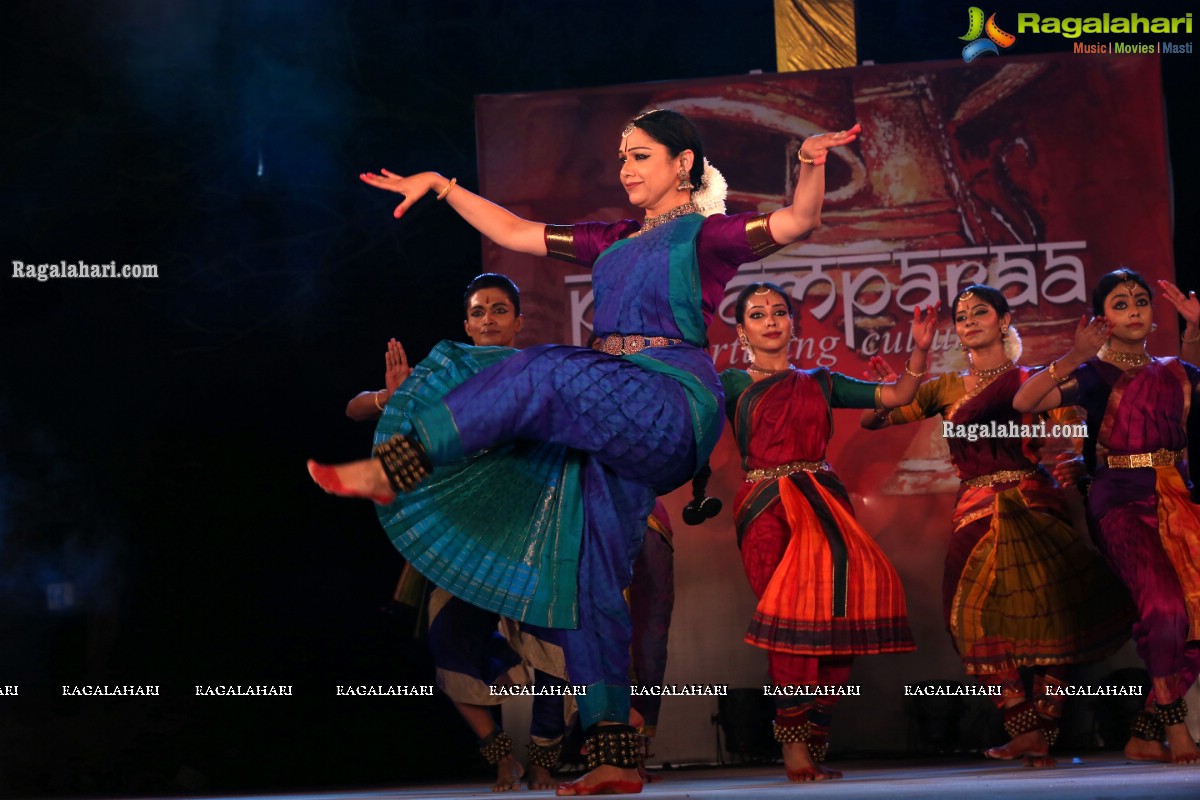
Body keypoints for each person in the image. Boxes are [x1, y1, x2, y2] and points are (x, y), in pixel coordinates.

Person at [309, 109, 861, 795]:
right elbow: (513, 231)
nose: (625, 168)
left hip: (670, 403)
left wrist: (810, 163)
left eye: (640, 156)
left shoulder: (708, 234)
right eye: (621, 156)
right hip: (615, 416)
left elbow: (797, 222)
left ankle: (399, 467)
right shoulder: (613, 238)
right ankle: (616, 756)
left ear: (683, 164)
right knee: (586, 583)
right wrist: (444, 187)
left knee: (540, 370)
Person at [862, 284, 1133, 767]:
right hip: (977, 508)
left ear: (1005, 320)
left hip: (1034, 499)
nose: (968, 320)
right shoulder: (946, 388)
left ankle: (1045, 726)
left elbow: (1073, 429)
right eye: (961, 315)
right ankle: (1020, 721)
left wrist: (1075, 459)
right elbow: (874, 421)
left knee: (1055, 611)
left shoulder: (1032, 379)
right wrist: (917, 357)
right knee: (969, 615)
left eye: (980, 312)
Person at [348, 274, 569, 791]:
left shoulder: (538, 372)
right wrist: (392, 397)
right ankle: (499, 755)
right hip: (467, 532)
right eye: (477, 312)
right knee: (448, 638)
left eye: (498, 310)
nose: (487, 319)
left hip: (529, 526)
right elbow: (353, 408)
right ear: (466, 324)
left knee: (553, 650)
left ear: (519, 321)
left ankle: (543, 758)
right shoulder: (443, 374)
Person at [720, 282, 935, 781]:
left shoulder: (819, 381)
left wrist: (920, 351)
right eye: (757, 314)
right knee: (789, 625)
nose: (770, 320)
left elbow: (901, 394)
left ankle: (815, 739)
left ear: (793, 323)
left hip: (825, 507)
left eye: (779, 312)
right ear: (741, 329)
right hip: (766, 508)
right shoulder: (729, 384)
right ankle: (793, 746)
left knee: (837, 625)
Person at [1013, 269, 1200, 766]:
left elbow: (1185, 386)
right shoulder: (1094, 374)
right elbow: (1023, 401)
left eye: (1141, 301)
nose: (1135, 309)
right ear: (1103, 319)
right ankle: (1177, 730)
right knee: (1164, 609)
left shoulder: (1171, 368)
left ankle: (1144, 732)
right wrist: (1074, 355)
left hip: (1178, 497)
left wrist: (1194, 331)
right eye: (1121, 303)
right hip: (1119, 499)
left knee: (1197, 616)